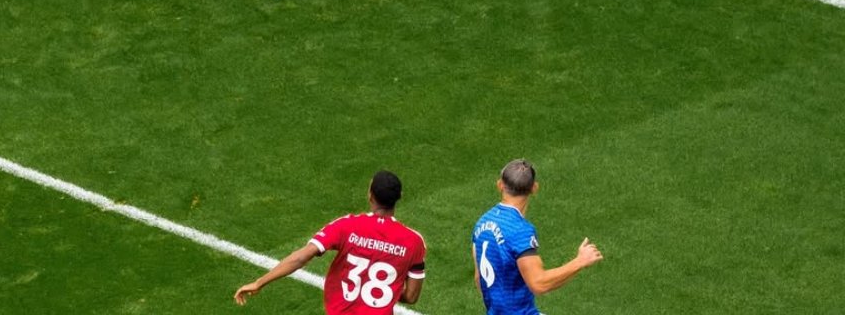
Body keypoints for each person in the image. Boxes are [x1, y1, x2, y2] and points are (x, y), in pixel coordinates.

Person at [234, 170, 426, 313]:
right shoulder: (414, 242)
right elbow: (411, 296)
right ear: (399, 198)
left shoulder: (346, 226)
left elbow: (301, 257)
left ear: (370, 195)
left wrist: (260, 282)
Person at [471, 159, 603, 315]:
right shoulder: (520, 231)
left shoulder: (482, 223)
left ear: (500, 184)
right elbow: (538, 284)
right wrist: (580, 261)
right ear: (534, 188)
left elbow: (479, 278)